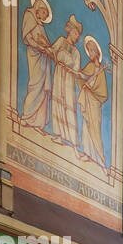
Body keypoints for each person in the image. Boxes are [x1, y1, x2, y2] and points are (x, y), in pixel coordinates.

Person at [20, 0, 54, 131]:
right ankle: (26, 117)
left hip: (43, 59)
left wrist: (49, 50)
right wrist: (41, 47)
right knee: (35, 86)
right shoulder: (29, 16)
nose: (45, 16)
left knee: (43, 92)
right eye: (44, 12)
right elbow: (27, 38)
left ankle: (38, 123)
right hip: (35, 56)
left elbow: (45, 42)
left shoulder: (40, 25)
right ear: (38, 8)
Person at [49, 15, 83, 147]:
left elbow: (76, 69)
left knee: (68, 103)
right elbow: (52, 51)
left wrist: (73, 70)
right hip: (59, 73)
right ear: (70, 31)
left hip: (68, 79)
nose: (77, 37)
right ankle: (59, 135)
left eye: (78, 35)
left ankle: (70, 138)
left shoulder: (76, 52)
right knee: (58, 101)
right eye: (75, 33)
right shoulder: (61, 41)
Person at [77, 36, 109, 167]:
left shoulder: (101, 70)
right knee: (86, 126)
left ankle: (100, 157)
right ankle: (87, 153)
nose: (90, 53)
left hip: (95, 104)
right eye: (88, 51)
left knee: (95, 128)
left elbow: (104, 93)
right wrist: (83, 80)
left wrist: (92, 88)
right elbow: (82, 77)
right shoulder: (90, 66)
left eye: (92, 51)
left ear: (97, 52)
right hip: (87, 100)